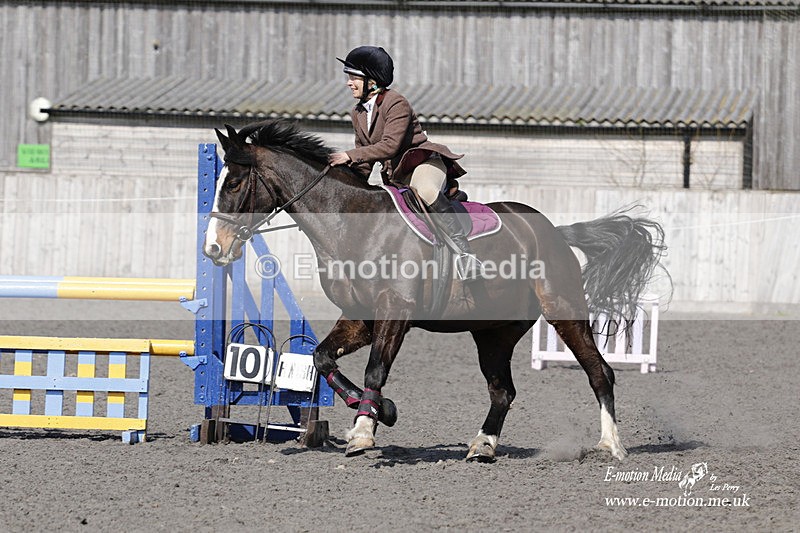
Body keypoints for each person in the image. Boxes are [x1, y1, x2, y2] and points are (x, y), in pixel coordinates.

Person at [329, 45, 482, 281]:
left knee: (426, 191)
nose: (349, 83)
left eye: (354, 77)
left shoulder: (396, 102)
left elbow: (390, 145)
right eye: (349, 77)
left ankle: (464, 254)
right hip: (396, 176)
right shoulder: (357, 112)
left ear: (372, 80)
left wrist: (349, 155)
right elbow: (364, 157)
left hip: (421, 164)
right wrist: (344, 182)